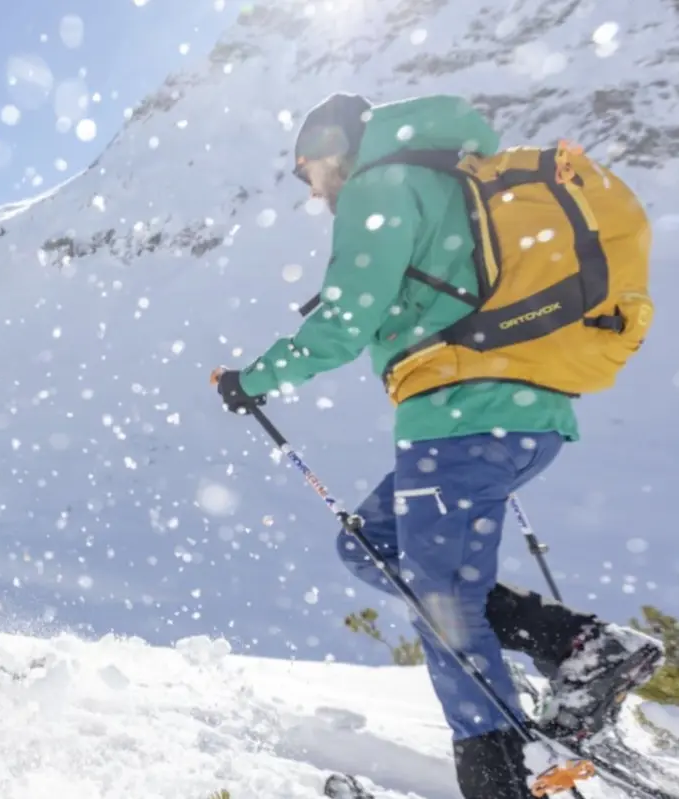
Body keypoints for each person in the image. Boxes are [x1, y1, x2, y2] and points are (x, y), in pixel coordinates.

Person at [213, 93, 663, 798]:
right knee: (370, 545)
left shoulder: (380, 184)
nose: (310, 187)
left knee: (439, 603)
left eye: (308, 168)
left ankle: (500, 773)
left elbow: (344, 317)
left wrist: (253, 378)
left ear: (334, 149)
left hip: (459, 420)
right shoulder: (456, 178)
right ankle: (569, 644)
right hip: (523, 415)